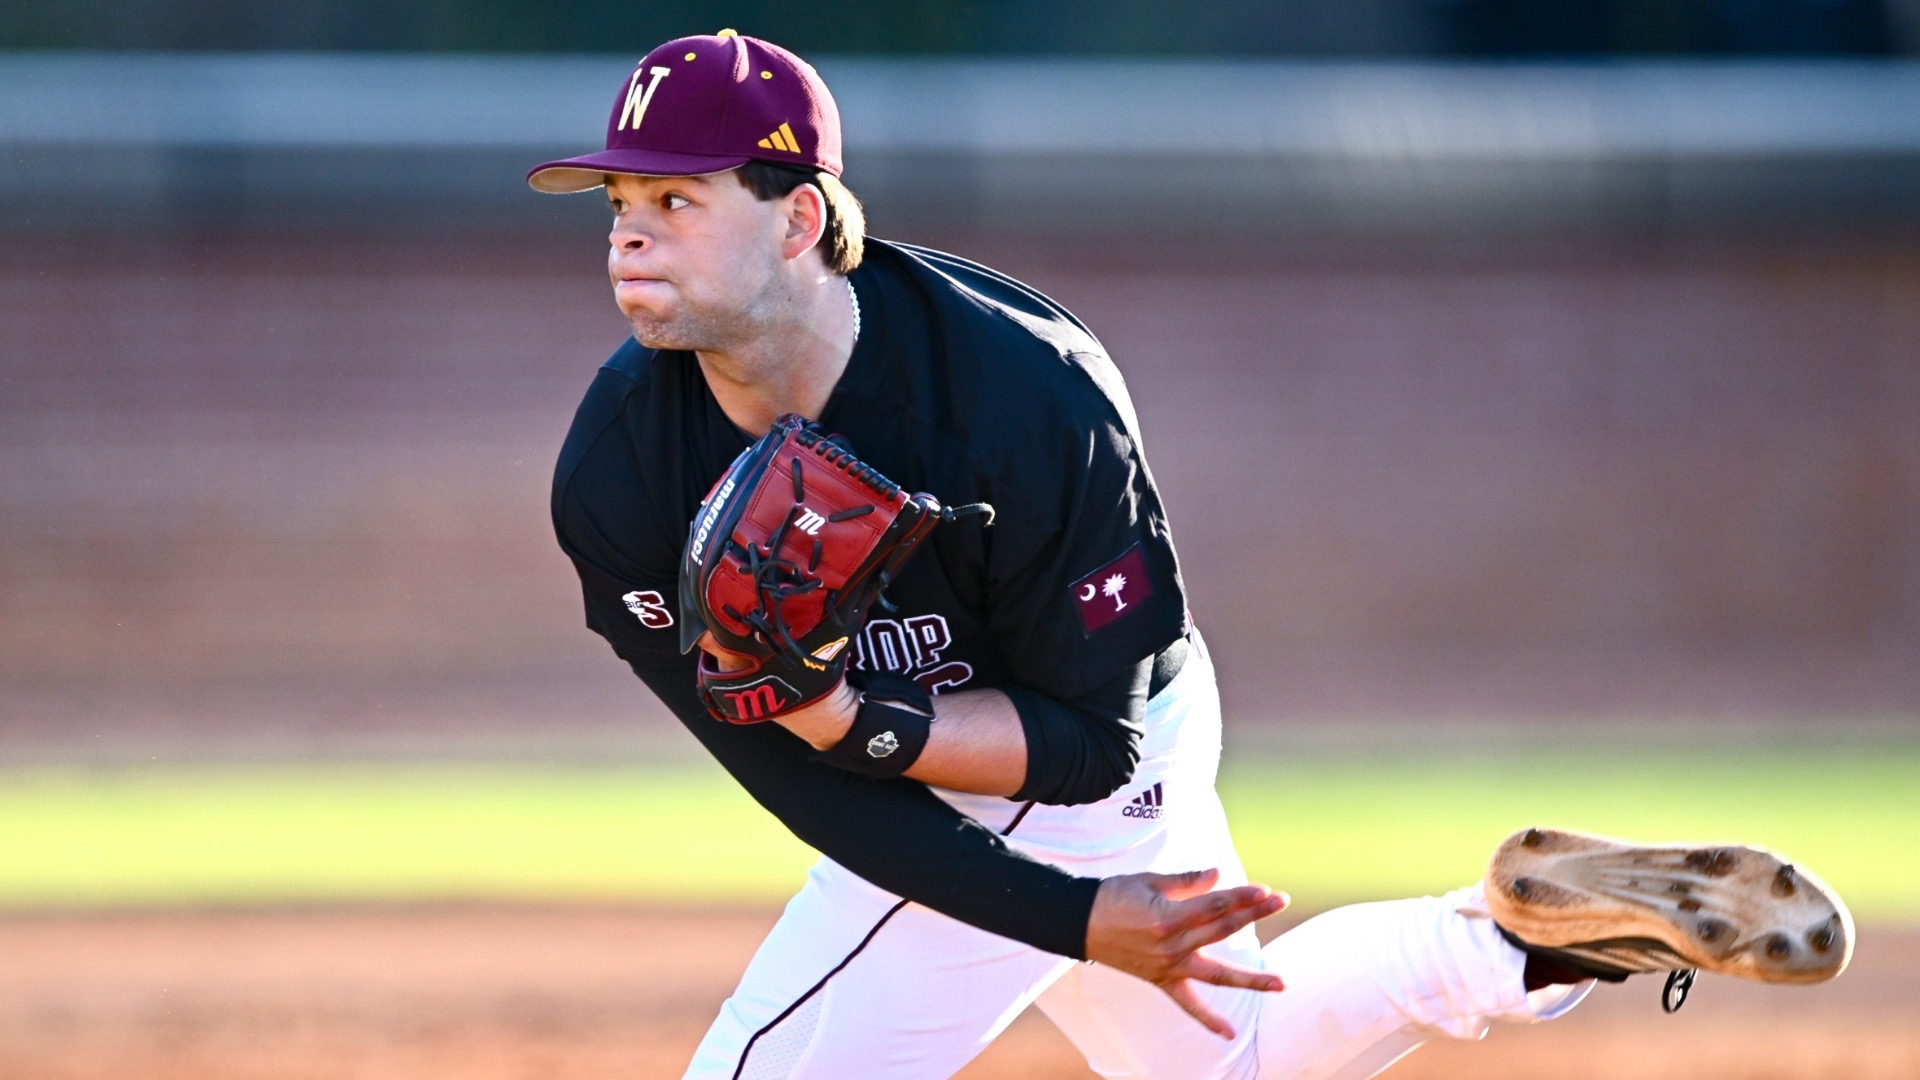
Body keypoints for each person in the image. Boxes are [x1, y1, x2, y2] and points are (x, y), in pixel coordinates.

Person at [533, 30, 1852, 1080]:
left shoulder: (1024, 398)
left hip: (1098, 739)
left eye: (674, 196)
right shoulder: (618, 475)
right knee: (1245, 1062)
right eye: (615, 200)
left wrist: (1041, 886)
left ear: (799, 221)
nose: (626, 231)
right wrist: (831, 732)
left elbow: (1086, 745)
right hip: (972, 746)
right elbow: (798, 786)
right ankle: (1520, 943)